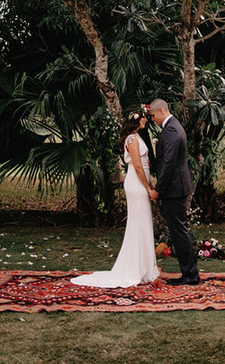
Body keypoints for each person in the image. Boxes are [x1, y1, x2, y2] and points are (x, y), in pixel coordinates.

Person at [71, 105, 159, 288]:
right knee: (138, 223)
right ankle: (136, 268)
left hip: (141, 182)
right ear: (137, 119)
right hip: (136, 184)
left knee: (143, 223)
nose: (146, 120)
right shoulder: (132, 140)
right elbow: (137, 167)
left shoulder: (137, 137)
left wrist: (149, 181)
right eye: (144, 117)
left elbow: (143, 164)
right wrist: (148, 187)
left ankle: (145, 267)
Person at [149, 98, 200, 286]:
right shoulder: (174, 125)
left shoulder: (170, 130)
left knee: (179, 232)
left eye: (153, 115)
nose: (153, 119)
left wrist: (157, 190)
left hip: (174, 188)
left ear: (161, 111)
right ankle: (189, 273)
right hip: (177, 186)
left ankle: (191, 275)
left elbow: (169, 163)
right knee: (180, 231)